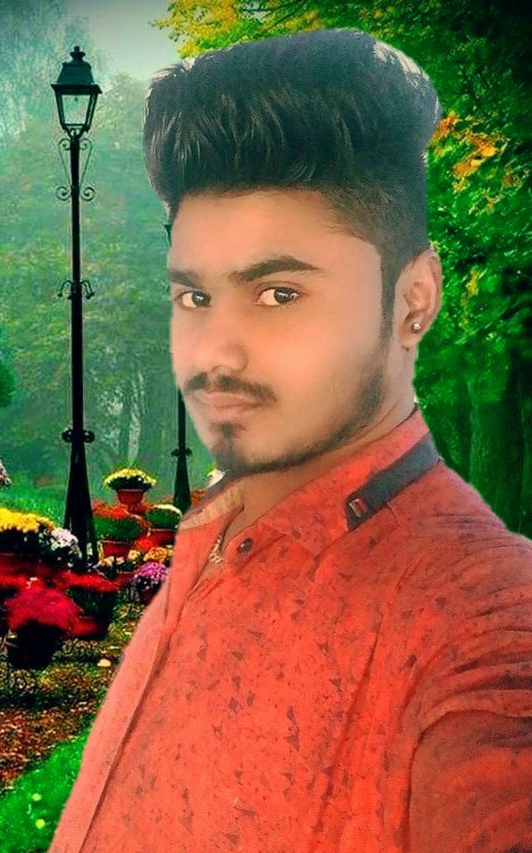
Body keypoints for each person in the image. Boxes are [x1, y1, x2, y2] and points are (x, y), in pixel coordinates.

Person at [49, 28, 532, 852]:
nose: (216, 354)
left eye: (278, 293)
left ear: (414, 298)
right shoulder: (213, 530)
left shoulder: (480, 621)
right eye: (195, 297)